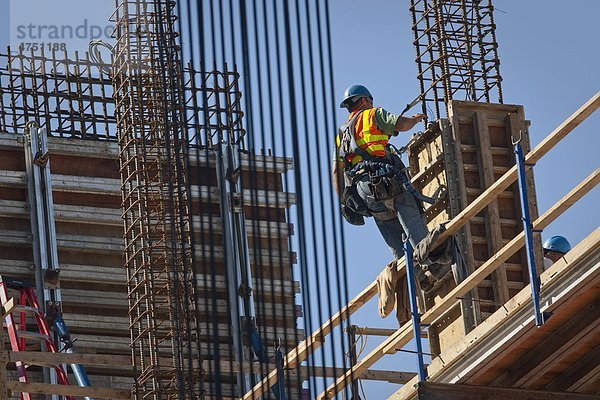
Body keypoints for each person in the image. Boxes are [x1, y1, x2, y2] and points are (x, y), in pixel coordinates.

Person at [332, 84, 436, 289]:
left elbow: (336, 170)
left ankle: (419, 279)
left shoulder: (342, 133)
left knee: (392, 234)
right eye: (370, 101)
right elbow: (401, 124)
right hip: (385, 178)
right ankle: (434, 268)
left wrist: (343, 200)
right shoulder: (373, 114)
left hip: (364, 191)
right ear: (364, 101)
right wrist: (415, 120)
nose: (372, 104)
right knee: (413, 222)